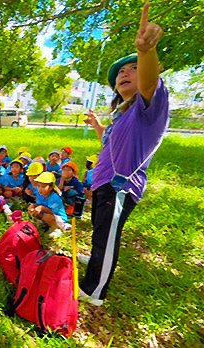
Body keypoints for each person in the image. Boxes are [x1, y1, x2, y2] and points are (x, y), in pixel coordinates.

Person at [79, 3, 169, 306]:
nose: (124, 73)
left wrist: (146, 52)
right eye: (119, 72)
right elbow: (110, 143)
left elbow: (148, 82)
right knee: (101, 230)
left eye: (132, 68)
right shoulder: (122, 114)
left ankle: (94, 291)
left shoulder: (150, 106)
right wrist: (97, 126)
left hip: (120, 187)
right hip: (104, 183)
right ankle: (95, 261)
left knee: (107, 239)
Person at [29, 172, 69, 237]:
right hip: (46, 214)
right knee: (33, 211)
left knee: (47, 217)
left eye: (43, 186)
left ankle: (57, 229)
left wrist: (41, 208)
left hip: (58, 218)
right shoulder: (40, 194)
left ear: (51, 187)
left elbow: (53, 212)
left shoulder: (54, 198)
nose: (40, 189)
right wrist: (33, 206)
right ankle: (44, 224)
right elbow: (38, 204)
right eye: (38, 186)